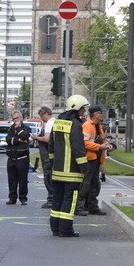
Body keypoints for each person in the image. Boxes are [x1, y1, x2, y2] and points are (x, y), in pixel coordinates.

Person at [49, 94, 90, 238]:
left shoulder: (58, 122)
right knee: (70, 200)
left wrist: (52, 164)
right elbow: (78, 148)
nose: (84, 112)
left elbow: (51, 145)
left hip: (57, 171)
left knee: (57, 199)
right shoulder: (76, 125)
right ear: (77, 108)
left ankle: (55, 228)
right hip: (72, 172)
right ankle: (65, 230)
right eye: (83, 109)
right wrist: (84, 168)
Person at [76, 105, 115, 216]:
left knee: (94, 183)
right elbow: (84, 142)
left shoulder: (98, 126)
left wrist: (107, 145)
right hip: (89, 158)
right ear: (95, 114)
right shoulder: (88, 126)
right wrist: (99, 147)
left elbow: (100, 140)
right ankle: (80, 206)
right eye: (100, 112)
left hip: (96, 158)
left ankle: (92, 206)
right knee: (86, 183)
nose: (102, 114)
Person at [4, 110, 33, 205]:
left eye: (16, 118)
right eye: (13, 119)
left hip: (22, 157)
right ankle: (12, 198)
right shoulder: (11, 128)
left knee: (23, 179)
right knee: (12, 179)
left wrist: (19, 129)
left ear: (21, 118)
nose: (15, 120)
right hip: (11, 157)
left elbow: (24, 136)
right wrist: (18, 140)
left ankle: (23, 198)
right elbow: (8, 139)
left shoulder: (26, 127)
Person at [31, 106, 54, 208]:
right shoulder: (54, 121)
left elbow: (47, 139)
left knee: (48, 176)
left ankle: (51, 199)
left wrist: (36, 137)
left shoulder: (49, 123)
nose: (41, 118)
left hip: (47, 155)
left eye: (41, 116)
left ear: (45, 113)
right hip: (50, 154)